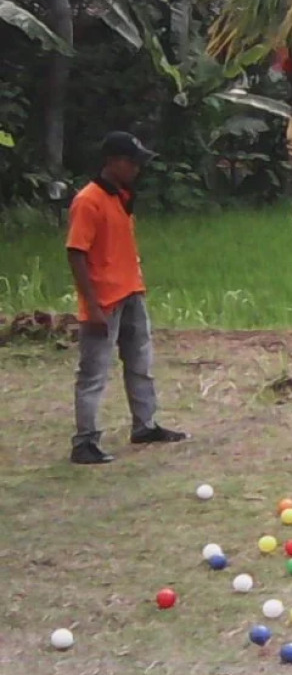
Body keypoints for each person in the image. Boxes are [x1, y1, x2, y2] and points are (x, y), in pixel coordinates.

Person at [67, 132, 188, 464]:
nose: (136, 168)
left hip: (131, 291)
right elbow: (76, 253)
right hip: (104, 301)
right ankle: (84, 442)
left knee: (140, 364)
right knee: (93, 373)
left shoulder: (121, 197)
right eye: (131, 161)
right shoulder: (88, 200)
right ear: (112, 161)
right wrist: (92, 306)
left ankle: (145, 425)